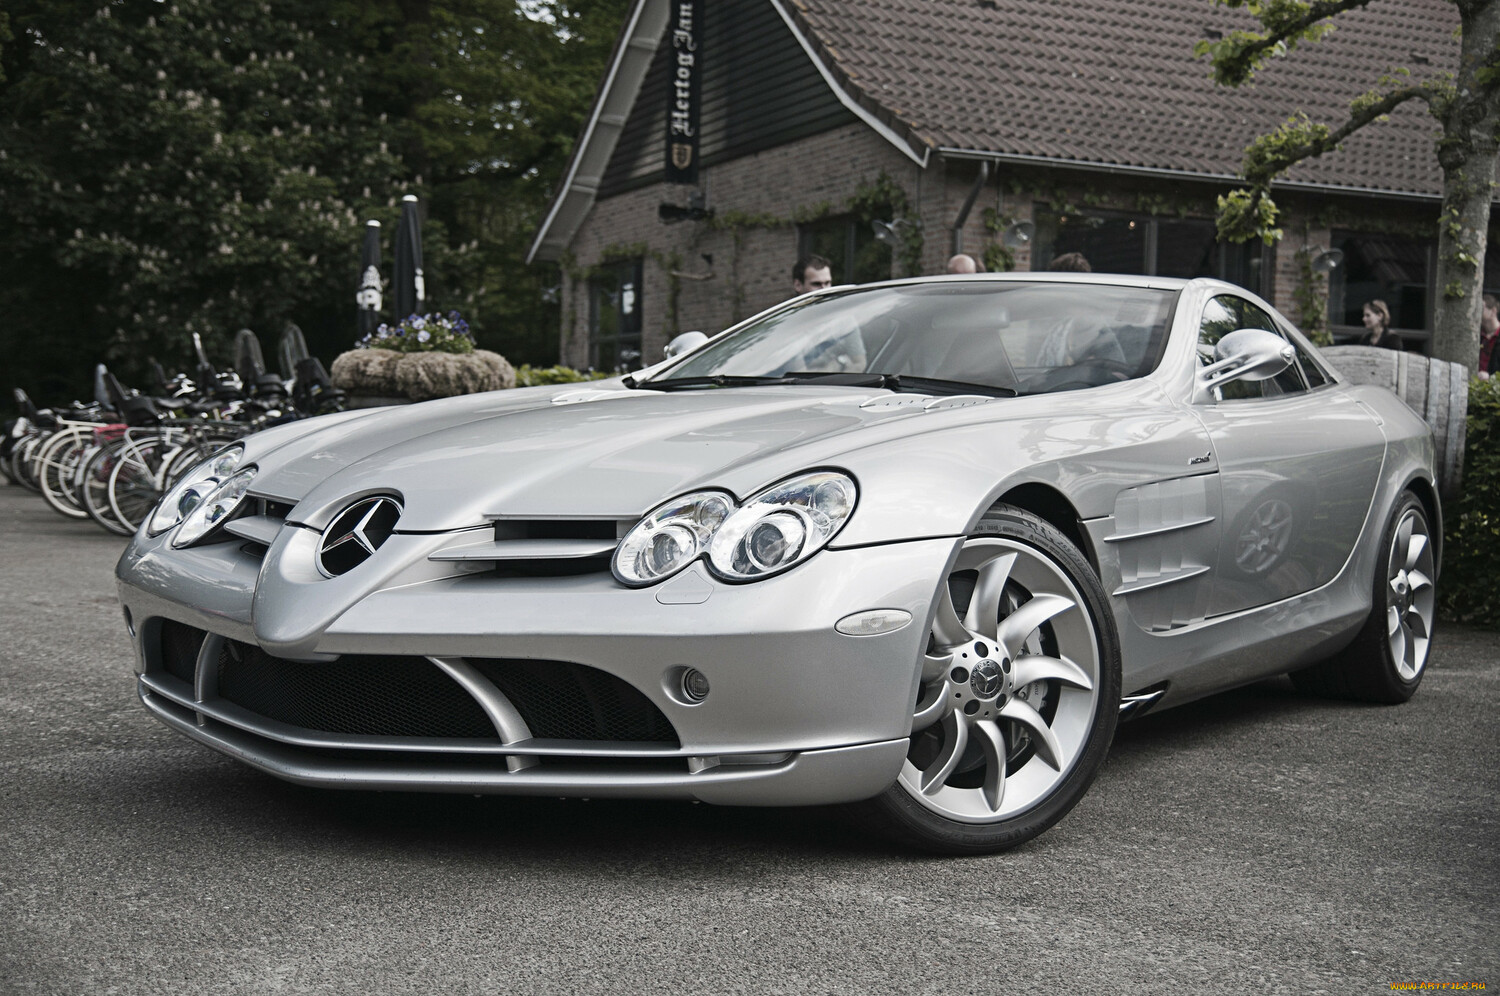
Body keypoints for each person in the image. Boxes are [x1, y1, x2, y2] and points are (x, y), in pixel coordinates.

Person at [1478, 294, 1498, 380]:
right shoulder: (1479, 336)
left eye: (1482, 309)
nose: (1478, 312)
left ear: (1493, 311)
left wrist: (1490, 377)